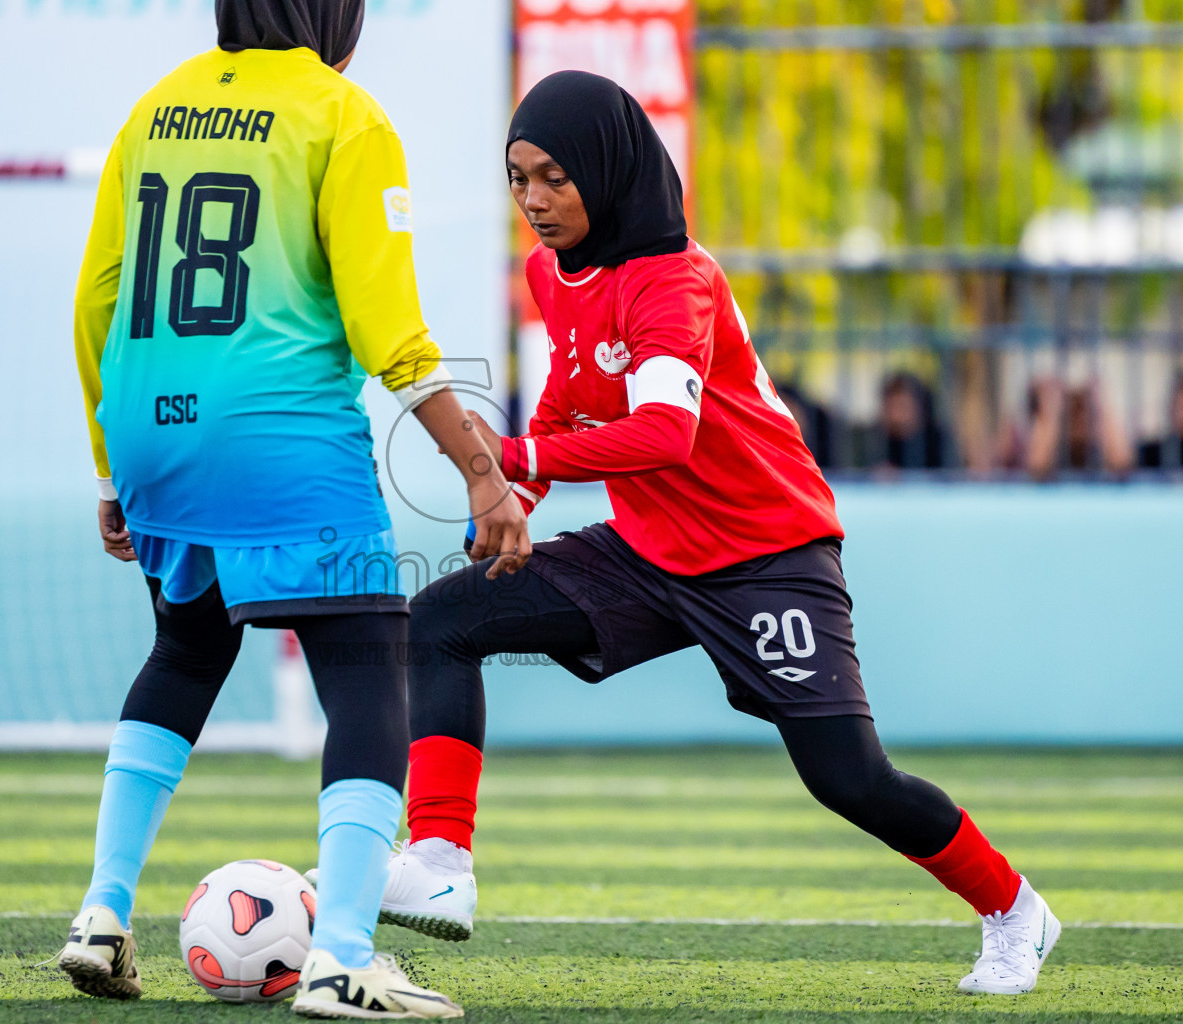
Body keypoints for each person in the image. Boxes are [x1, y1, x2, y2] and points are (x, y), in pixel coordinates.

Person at [374, 72, 1059, 997]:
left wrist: (504, 453)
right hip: (651, 548)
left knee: (849, 780)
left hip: (768, 555)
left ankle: (1015, 910)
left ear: (610, 173)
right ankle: (440, 862)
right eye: (518, 177)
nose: (534, 201)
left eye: (555, 178)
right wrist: (512, 497)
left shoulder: (677, 279)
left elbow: (665, 434)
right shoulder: (551, 273)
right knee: (444, 617)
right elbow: (570, 405)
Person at [62, 1, 527, 1017]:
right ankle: (343, 954)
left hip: (150, 424)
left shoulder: (154, 110)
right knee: (367, 666)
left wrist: (112, 465)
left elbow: (97, 299)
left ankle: (100, 910)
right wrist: (479, 469)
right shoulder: (344, 115)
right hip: (275, 430)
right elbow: (387, 327)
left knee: (185, 650)